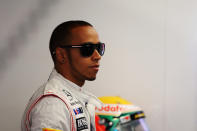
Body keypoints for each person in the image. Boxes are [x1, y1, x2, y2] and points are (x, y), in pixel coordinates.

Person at [21, 20, 105, 131]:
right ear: (61, 55)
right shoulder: (52, 104)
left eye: (99, 48)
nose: (97, 56)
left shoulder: (75, 95)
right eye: (87, 48)